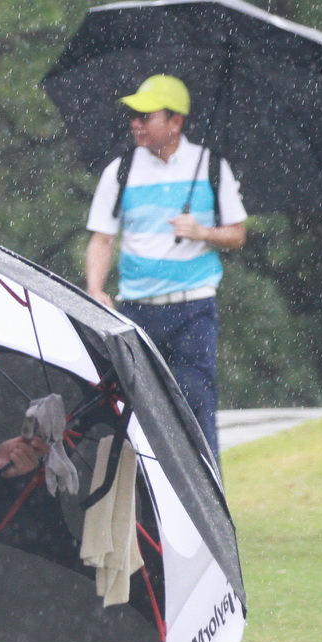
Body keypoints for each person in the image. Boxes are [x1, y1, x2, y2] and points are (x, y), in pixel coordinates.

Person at [84, 74, 247, 456]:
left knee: (196, 407)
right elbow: (102, 238)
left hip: (194, 308)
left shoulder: (211, 167)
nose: (136, 124)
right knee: (133, 411)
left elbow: (237, 234)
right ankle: (146, 508)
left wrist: (203, 232)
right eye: (134, 116)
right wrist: (94, 288)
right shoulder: (120, 170)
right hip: (136, 310)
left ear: (176, 122)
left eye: (146, 116)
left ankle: (205, 509)